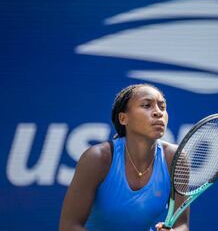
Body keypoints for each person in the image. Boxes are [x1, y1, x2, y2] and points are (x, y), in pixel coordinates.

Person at [59, 84, 189, 231]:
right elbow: (69, 226)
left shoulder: (176, 159)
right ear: (123, 118)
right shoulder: (97, 158)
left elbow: (182, 224)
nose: (158, 113)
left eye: (162, 107)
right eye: (147, 105)